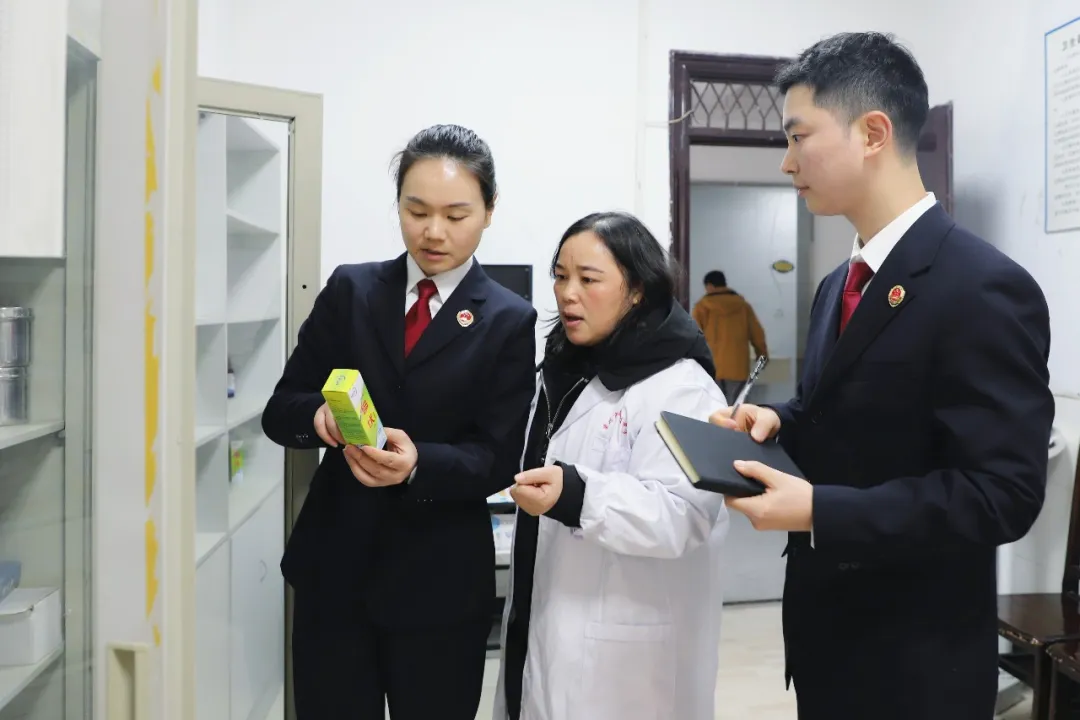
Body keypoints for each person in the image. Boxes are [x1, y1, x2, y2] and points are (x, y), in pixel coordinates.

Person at [710, 32, 1054, 720]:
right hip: (828, 636)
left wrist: (820, 510)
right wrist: (780, 420)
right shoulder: (840, 282)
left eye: (798, 136)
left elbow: (1002, 494)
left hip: (916, 659)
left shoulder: (981, 286)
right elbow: (840, 410)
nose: (786, 161)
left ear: (872, 133)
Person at [262, 124, 537, 720]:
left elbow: (498, 456)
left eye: (456, 215)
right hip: (336, 571)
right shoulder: (352, 289)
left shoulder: (509, 318)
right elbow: (281, 410)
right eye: (416, 211)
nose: (433, 231)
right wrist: (321, 418)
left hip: (439, 580)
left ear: (489, 211)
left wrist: (419, 465)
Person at [491, 211, 729, 720]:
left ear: (637, 290)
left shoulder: (683, 387)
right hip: (545, 616)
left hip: (626, 661)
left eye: (588, 279)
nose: (567, 293)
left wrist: (577, 495)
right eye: (560, 276)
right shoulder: (563, 369)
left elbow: (684, 515)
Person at [691, 269, 769, 402]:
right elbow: (757, 334)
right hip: (737, 368)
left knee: (714, 407)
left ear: (709, 285)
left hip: (711, 368)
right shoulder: (743, 306)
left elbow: (694, 336)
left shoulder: (701, 307)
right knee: (737, 408)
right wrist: (762, 355)